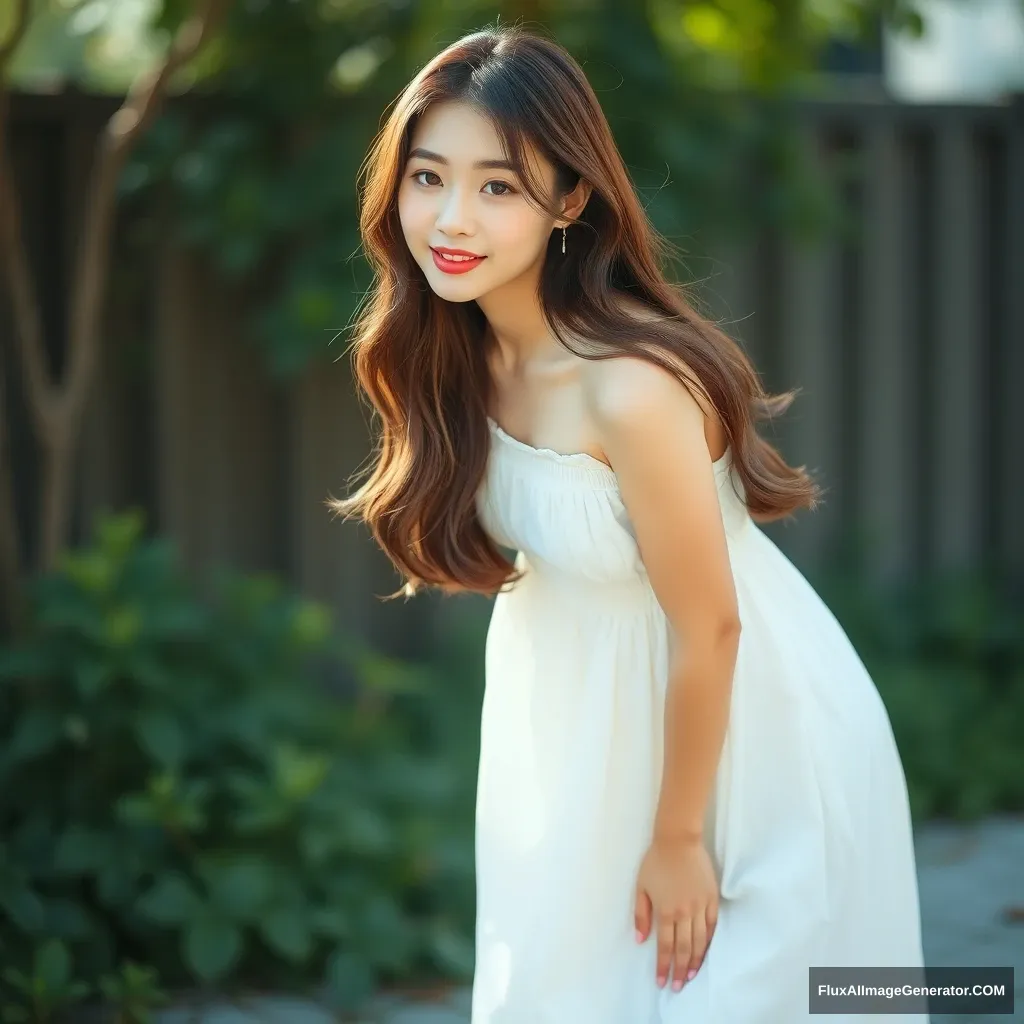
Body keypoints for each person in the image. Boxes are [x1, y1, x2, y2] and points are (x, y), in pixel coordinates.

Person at [332, 24, 927, 1024]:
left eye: (497, 186)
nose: (451, 217)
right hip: (574, 729)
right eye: (429, 177)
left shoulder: (629, 391)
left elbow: (711, 627)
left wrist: (679, 836)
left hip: (739, 739)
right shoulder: (462, 357)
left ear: (569, 200)